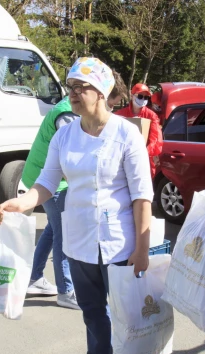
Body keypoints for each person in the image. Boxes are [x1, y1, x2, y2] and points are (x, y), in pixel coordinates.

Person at [0, 57, 160, 354]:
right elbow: (46, 182)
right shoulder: (66, 134)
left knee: (129, 309)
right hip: (79, 238)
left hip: (120, 241)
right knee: (91, 310)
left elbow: (142, 196)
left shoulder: (126, 134)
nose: (72, 93)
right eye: (70, 87)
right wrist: (22, 203)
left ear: (101, 92)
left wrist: (142, 249)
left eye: (80, 87)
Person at [22, 70, 128, 309]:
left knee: (52, 227)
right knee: (64, 232)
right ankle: (66, 290)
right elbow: (77, 157)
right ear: (103, 93)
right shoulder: (70, 116)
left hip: (43, 176)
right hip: (51, 181)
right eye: (113, 103)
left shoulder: (74, 110)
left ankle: (35, 277)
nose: (112, 110)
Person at [115, 83, 163, 178]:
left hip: (143, 160)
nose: (143, 100)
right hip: (121, 159)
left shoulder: (151, 116)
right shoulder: (119, 114)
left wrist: (143, 153)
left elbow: (155, 139)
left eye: (146, 98)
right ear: (132, 95)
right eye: (140, 96)